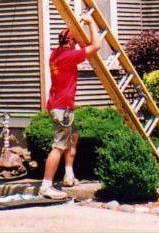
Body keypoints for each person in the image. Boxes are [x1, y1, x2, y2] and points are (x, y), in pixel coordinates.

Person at [39, 13, 102, 199]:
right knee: (58, 146)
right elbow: (96, 46)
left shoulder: (56, 54)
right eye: (74, 40)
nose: (77, 43)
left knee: (73, 137)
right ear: (69, 42)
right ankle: (46, 185)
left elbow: (82, 45)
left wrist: (76, 27)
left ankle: (68, 174)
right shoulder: (68, 56)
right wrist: (90, 23)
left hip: (58, 105)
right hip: (62, 108)